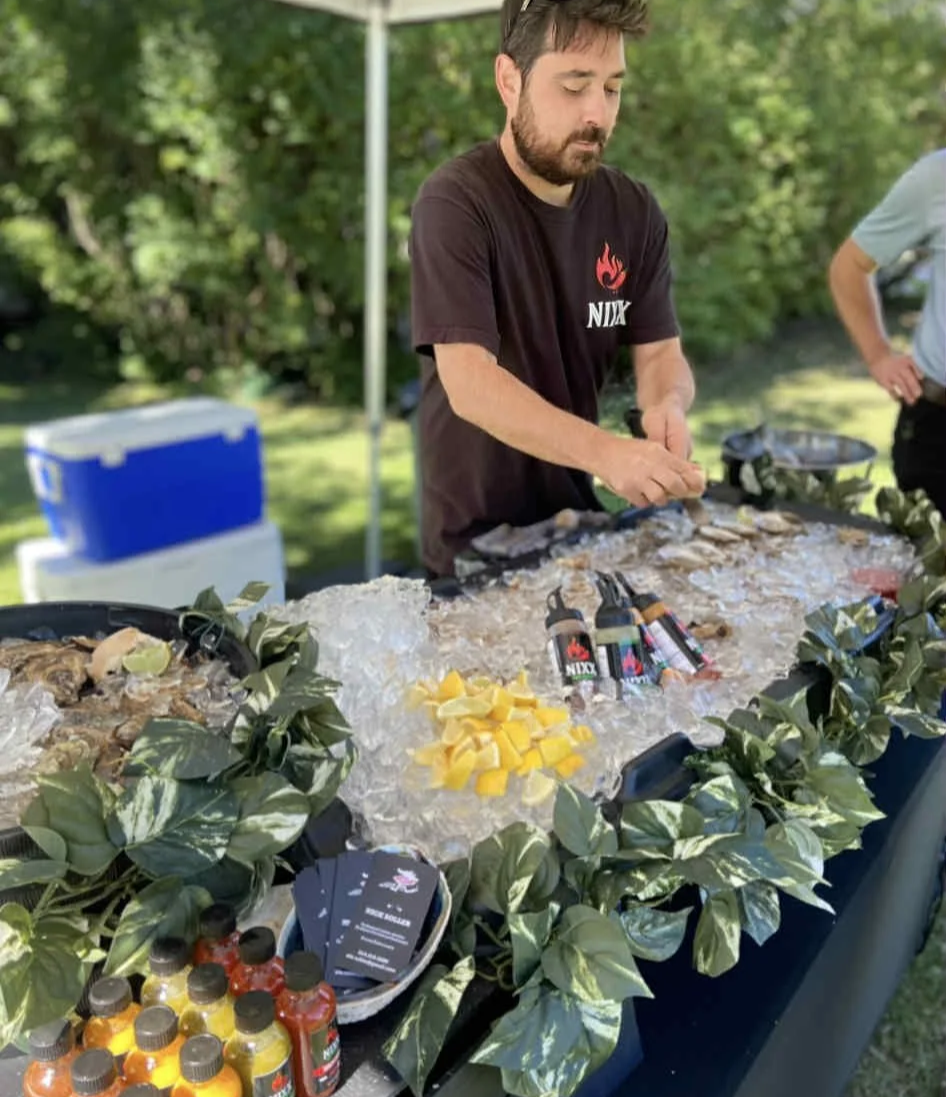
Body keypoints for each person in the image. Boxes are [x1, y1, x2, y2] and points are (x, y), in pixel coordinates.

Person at [408, 0, 705, 578]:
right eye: (574, 86)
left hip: (583, 536)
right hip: (475, 552)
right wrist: (609, 454)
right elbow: (469, 383)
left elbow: (661, 352)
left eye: (613, 88)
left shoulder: (634, 211)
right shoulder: (455, 203)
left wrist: (665, 405)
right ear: (508, 80)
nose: (597, 113)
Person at [829, 148, 946, 516]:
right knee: (929, 572)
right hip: (937, 435)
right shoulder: (937, 177)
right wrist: (879, 355)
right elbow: (849, 267)